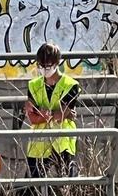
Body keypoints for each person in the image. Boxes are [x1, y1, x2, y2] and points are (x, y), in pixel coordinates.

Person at [23, 43, 80, 178]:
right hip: (39, 142)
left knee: (68, 182)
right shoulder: (33, 85)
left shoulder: (70, 85)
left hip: (62, 141)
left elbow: (61, 114)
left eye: (47, 66)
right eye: (40, 66)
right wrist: (51, 115)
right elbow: (32, 118)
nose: (43, 69)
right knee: (31, 185)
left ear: (56, 63)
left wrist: (41, 113)